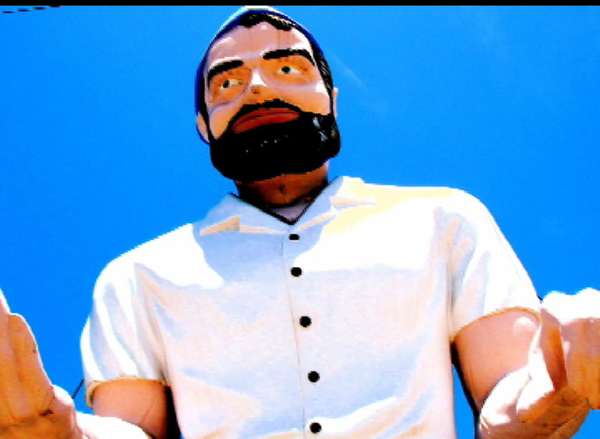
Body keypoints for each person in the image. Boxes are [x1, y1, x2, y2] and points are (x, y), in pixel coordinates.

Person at [0, 6, 598, 439]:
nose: (258, 88)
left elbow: (507, 406)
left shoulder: (444, 218)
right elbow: (131, 431)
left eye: (288, 70)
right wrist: (54, 429)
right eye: (227, 82)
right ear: (204, 126)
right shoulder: (136, 277)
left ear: (332, 98)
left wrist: (560, 383)